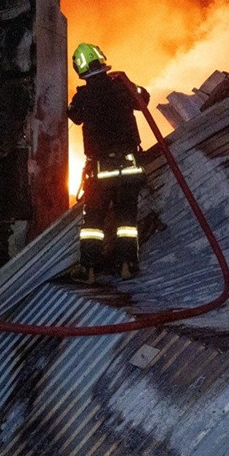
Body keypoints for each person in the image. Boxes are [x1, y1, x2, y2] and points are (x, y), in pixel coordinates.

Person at [67, 43, 149, 282]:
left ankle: (89, 270)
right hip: (129, 167)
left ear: (79, 68)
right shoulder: (121, 87)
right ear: (101, 60)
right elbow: (143, 99)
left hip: (101, 171)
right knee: (127, 221)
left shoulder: (83, 97)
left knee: (93, 222)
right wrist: (130, 84)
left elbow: (73, 115)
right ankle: (127, 266)